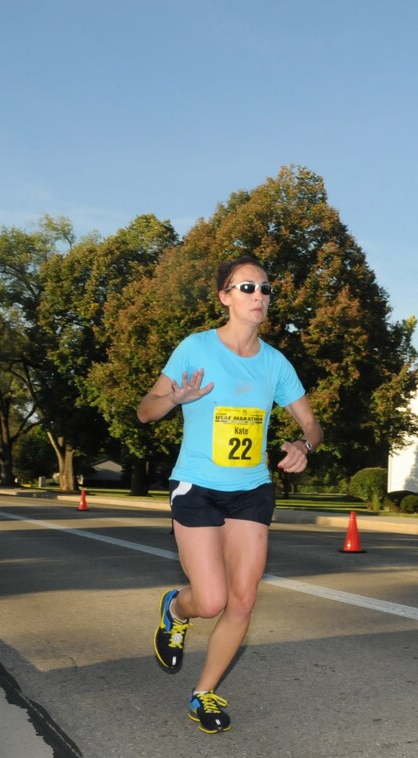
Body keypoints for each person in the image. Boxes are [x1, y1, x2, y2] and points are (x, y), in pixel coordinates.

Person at [137, 255, 323, 733]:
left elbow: (312, 424)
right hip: (197, 487)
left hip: (250, 491)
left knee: (243, 602)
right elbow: (145, 411)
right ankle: (176, 608)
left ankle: (204, 693)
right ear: (224, 296)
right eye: (246, 288)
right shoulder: (195, 348)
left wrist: (304, 445)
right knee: (212, 600)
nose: (258, 296)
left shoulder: (275, 363)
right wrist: (174, 399)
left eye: (265, 288)